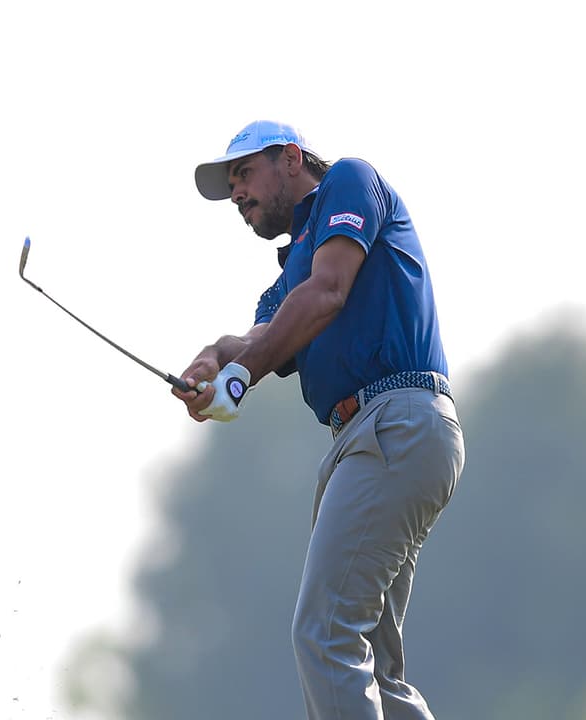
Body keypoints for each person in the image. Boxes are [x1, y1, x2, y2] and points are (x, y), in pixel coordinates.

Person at [173, 120, 466, 720]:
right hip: (374, 438)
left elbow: (328, 292)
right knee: (372, 671)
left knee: (326, 632)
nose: (237, 194)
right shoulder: (290, 276)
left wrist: (240, 373)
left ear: (291, 158)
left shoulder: (349, 182)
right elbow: (262, 336)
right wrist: (217, 357)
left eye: (244, 174)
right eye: (231, 187)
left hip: (396, 422)